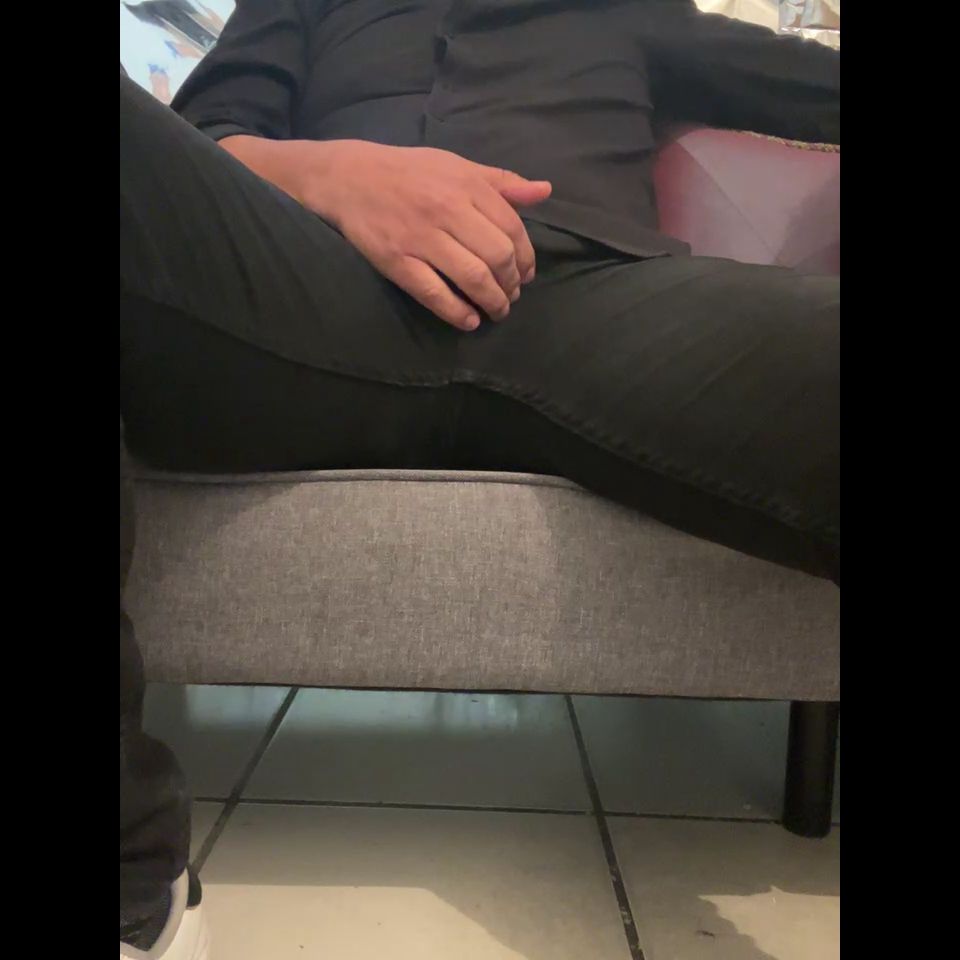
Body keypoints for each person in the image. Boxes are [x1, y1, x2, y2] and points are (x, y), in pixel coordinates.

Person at [120, 2, 840, 956]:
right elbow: (199, 141)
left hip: (596, 295)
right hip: (306, 288)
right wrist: (330, 174)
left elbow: (808, 83)